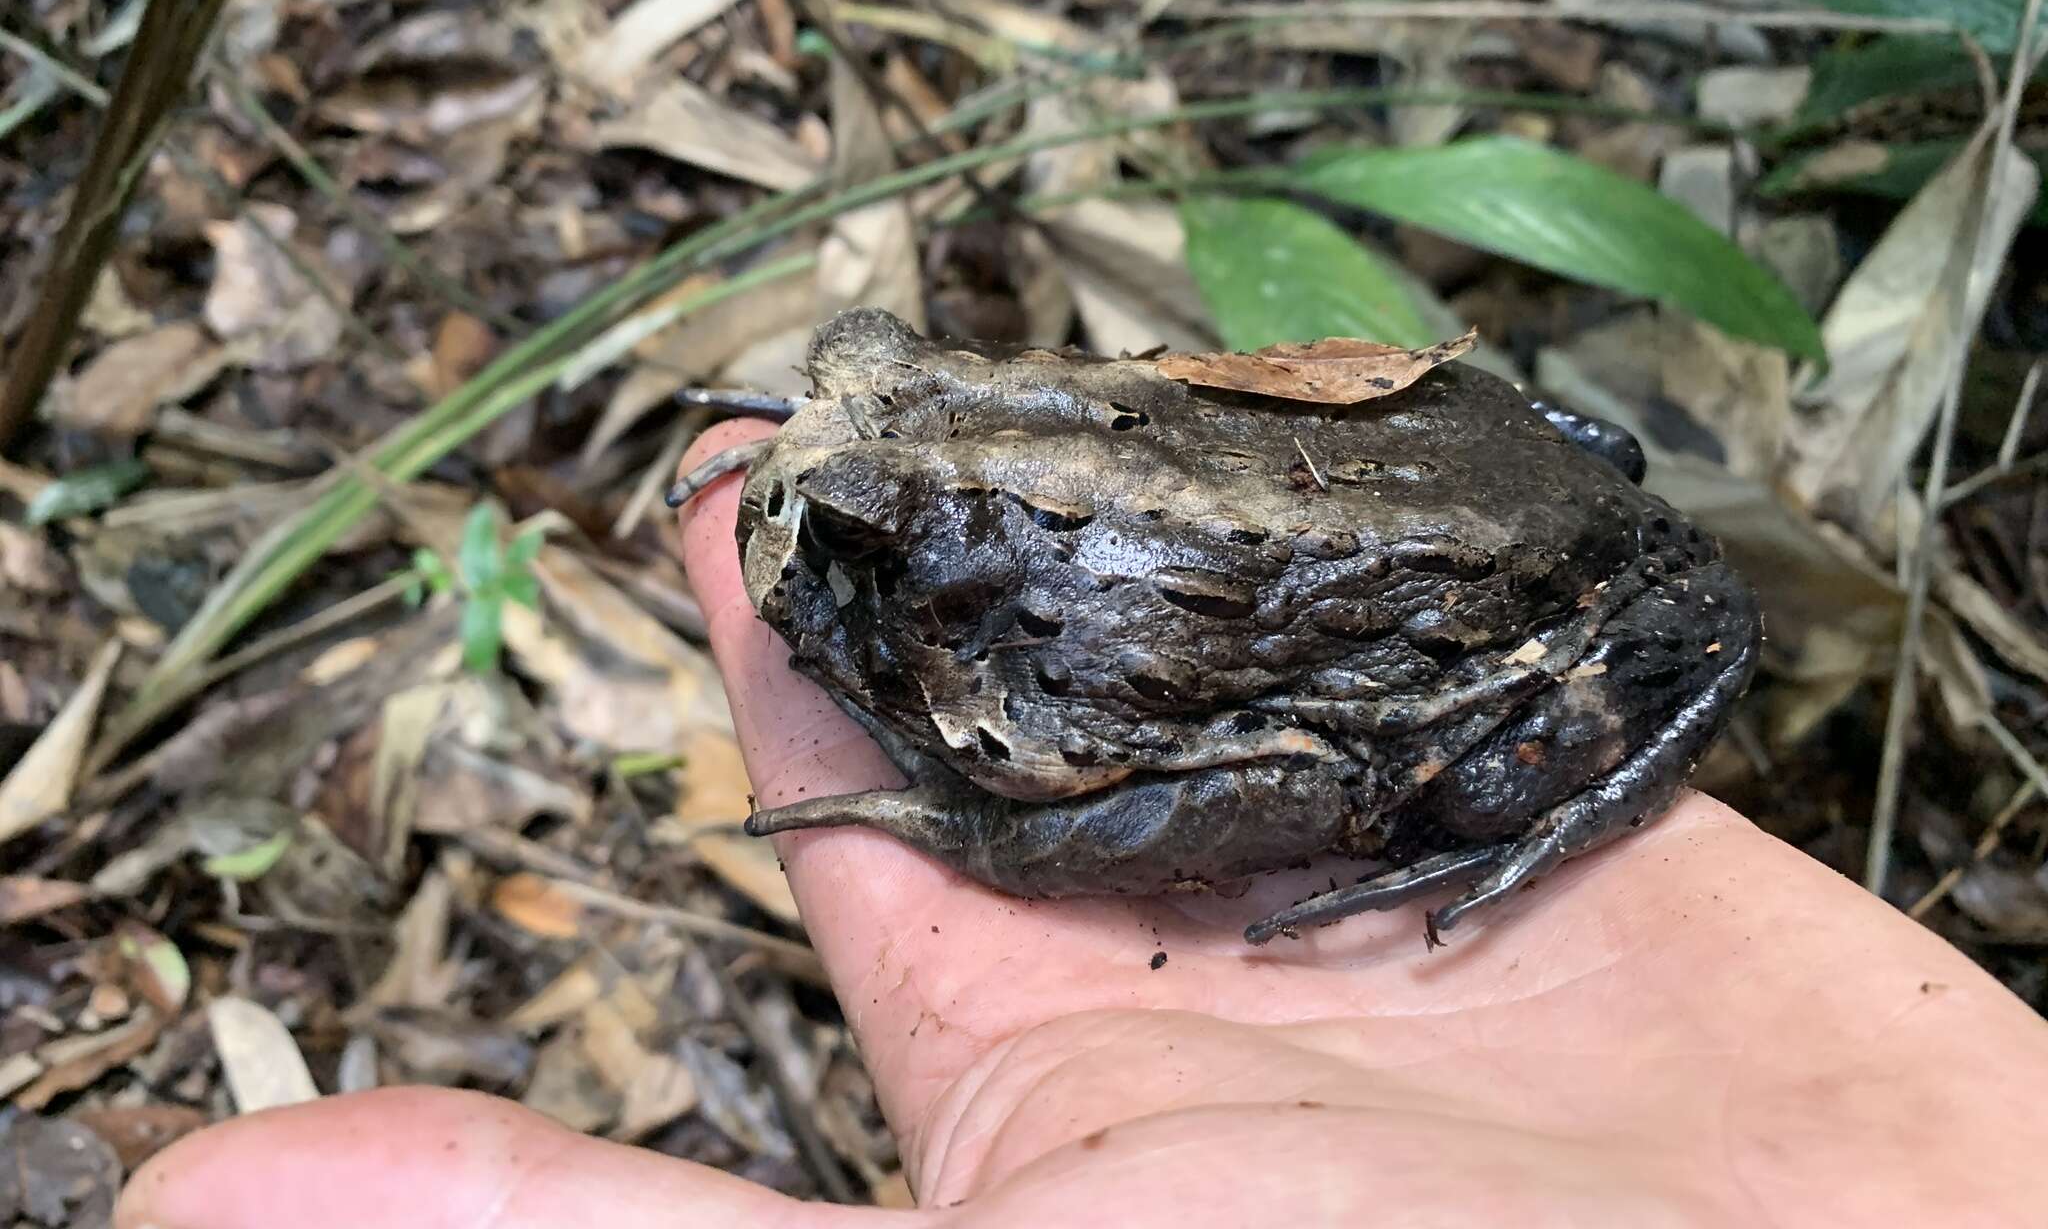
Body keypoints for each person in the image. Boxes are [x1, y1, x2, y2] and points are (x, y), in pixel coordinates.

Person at [118, 422, 2048, 1229]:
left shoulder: (1071, 673)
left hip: (1506, 594)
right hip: (1448, 477)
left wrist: (1012, 847)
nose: (809, 537)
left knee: (1423, 781)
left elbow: (1280, 786)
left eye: (859, 552)